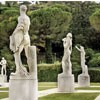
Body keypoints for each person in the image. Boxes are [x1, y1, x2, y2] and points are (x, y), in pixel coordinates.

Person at [10, 5, 30, 75]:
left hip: (22, 37)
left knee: (16, 54)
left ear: (20, 10)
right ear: (26, 10)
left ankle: (18, 70)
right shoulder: (27, 18)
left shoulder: (21, 18)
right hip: (27, 36)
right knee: (28, 55)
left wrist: (13, 34)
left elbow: (20, 27)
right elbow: (26, 28)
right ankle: (31, 71)